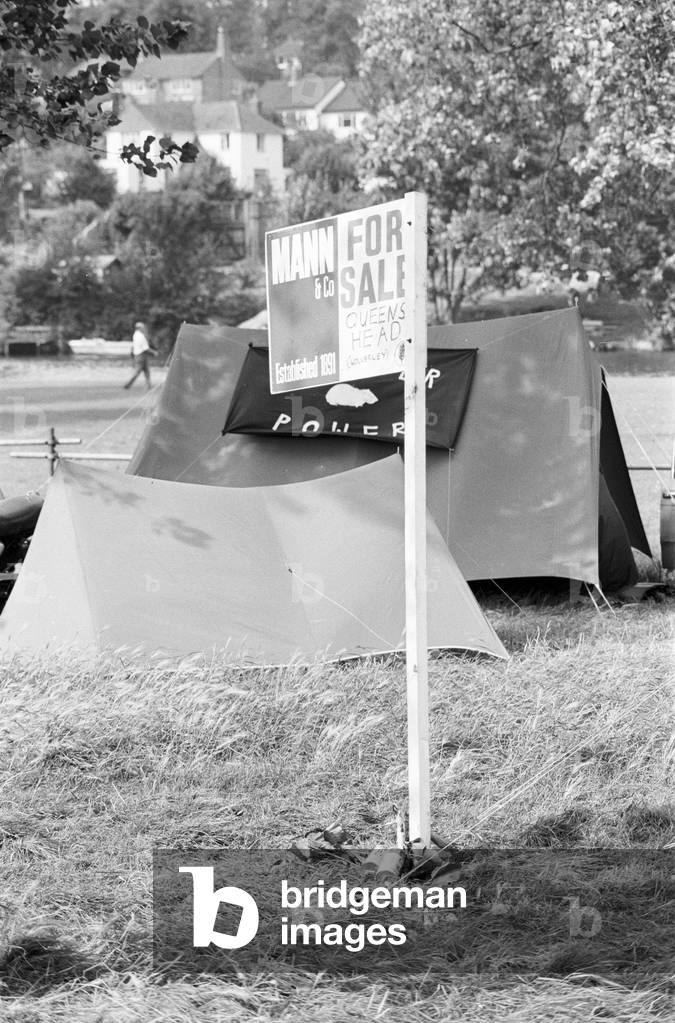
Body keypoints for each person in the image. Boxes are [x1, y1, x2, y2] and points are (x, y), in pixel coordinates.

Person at [124, 321, 157, 391]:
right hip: (141, 355)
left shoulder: (136, 335)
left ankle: (148, 386)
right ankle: (128, 384)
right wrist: (154, 352)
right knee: (137, 372)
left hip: (138, 355)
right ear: (139, 328)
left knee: (146, 371)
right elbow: (145, 348)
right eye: (143, 327)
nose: (144, 328)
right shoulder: (140, 336)